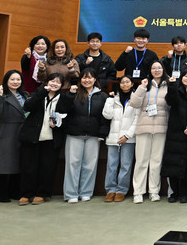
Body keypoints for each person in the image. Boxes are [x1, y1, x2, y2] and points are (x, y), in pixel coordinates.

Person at [56, 69, 110, 203]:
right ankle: (71, 194)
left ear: (95, 79)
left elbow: (105, 117)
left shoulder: (102, 96)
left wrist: (102, 133)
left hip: (93, 135)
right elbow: (62, 109)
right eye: (84, 78)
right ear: (80, 80)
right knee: (72, 164)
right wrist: (70, 94)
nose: (87, 80)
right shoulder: (74, 93)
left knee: (90, 165)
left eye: (90, 78)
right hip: (74, 133)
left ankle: (86, 192)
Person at [19, 72, 64, 205]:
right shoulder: (38, 94)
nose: (54, 84)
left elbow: (66, 115)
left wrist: (58, 123)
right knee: (29, 167)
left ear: (61, 85)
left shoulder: (63, 98)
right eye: (52, 81)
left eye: (58, 82)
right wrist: (43, 92)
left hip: (51, 138)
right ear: (47, 82)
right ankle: (26, 194)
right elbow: (27, 106)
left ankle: (42, 193)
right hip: (33, 136)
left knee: (47, 167)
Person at [128, 61, 170, 203]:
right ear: (150, 70)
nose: (156, 70)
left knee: (156, 161)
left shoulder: (168, 85)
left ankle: (154, 191)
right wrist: (141, 87)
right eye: (153, 68)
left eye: (159, 68)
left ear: (163, 69)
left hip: (161, 128)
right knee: (141, 161)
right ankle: (138, 192)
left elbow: (171, 105)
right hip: (143, 128)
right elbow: (134, 103)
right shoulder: (144, 85)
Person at [163, 68, 187, 203]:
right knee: (173, 164)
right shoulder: (176, 90)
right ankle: (174, 193)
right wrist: (172, 86)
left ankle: (185, 193)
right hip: (175, 133)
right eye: (185, 76)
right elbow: (170, 101)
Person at [0, 70, 27, 203]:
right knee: (3, 163)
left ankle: (14, 191)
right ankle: (0, 193)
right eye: (12, 79)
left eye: (18, 79)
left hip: (21, 132)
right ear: (6, 81)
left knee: (18, 162)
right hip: (6, 132)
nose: (16, 82)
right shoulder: (2, 95)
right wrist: (0, 96)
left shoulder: (25, 95)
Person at [102, 74, 139, 202]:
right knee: (111, 165)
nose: (125, 84)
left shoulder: (136, 98)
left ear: (132, 84)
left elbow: (137, 119)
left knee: (126, 165)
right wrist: (110, 99)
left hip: (128, 138)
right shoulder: (113, 98)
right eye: (122, 82)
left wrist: (127, 135)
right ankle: (110, 190)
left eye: (127, 82)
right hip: (113, 137)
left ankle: (121, 190)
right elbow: (107, 115)